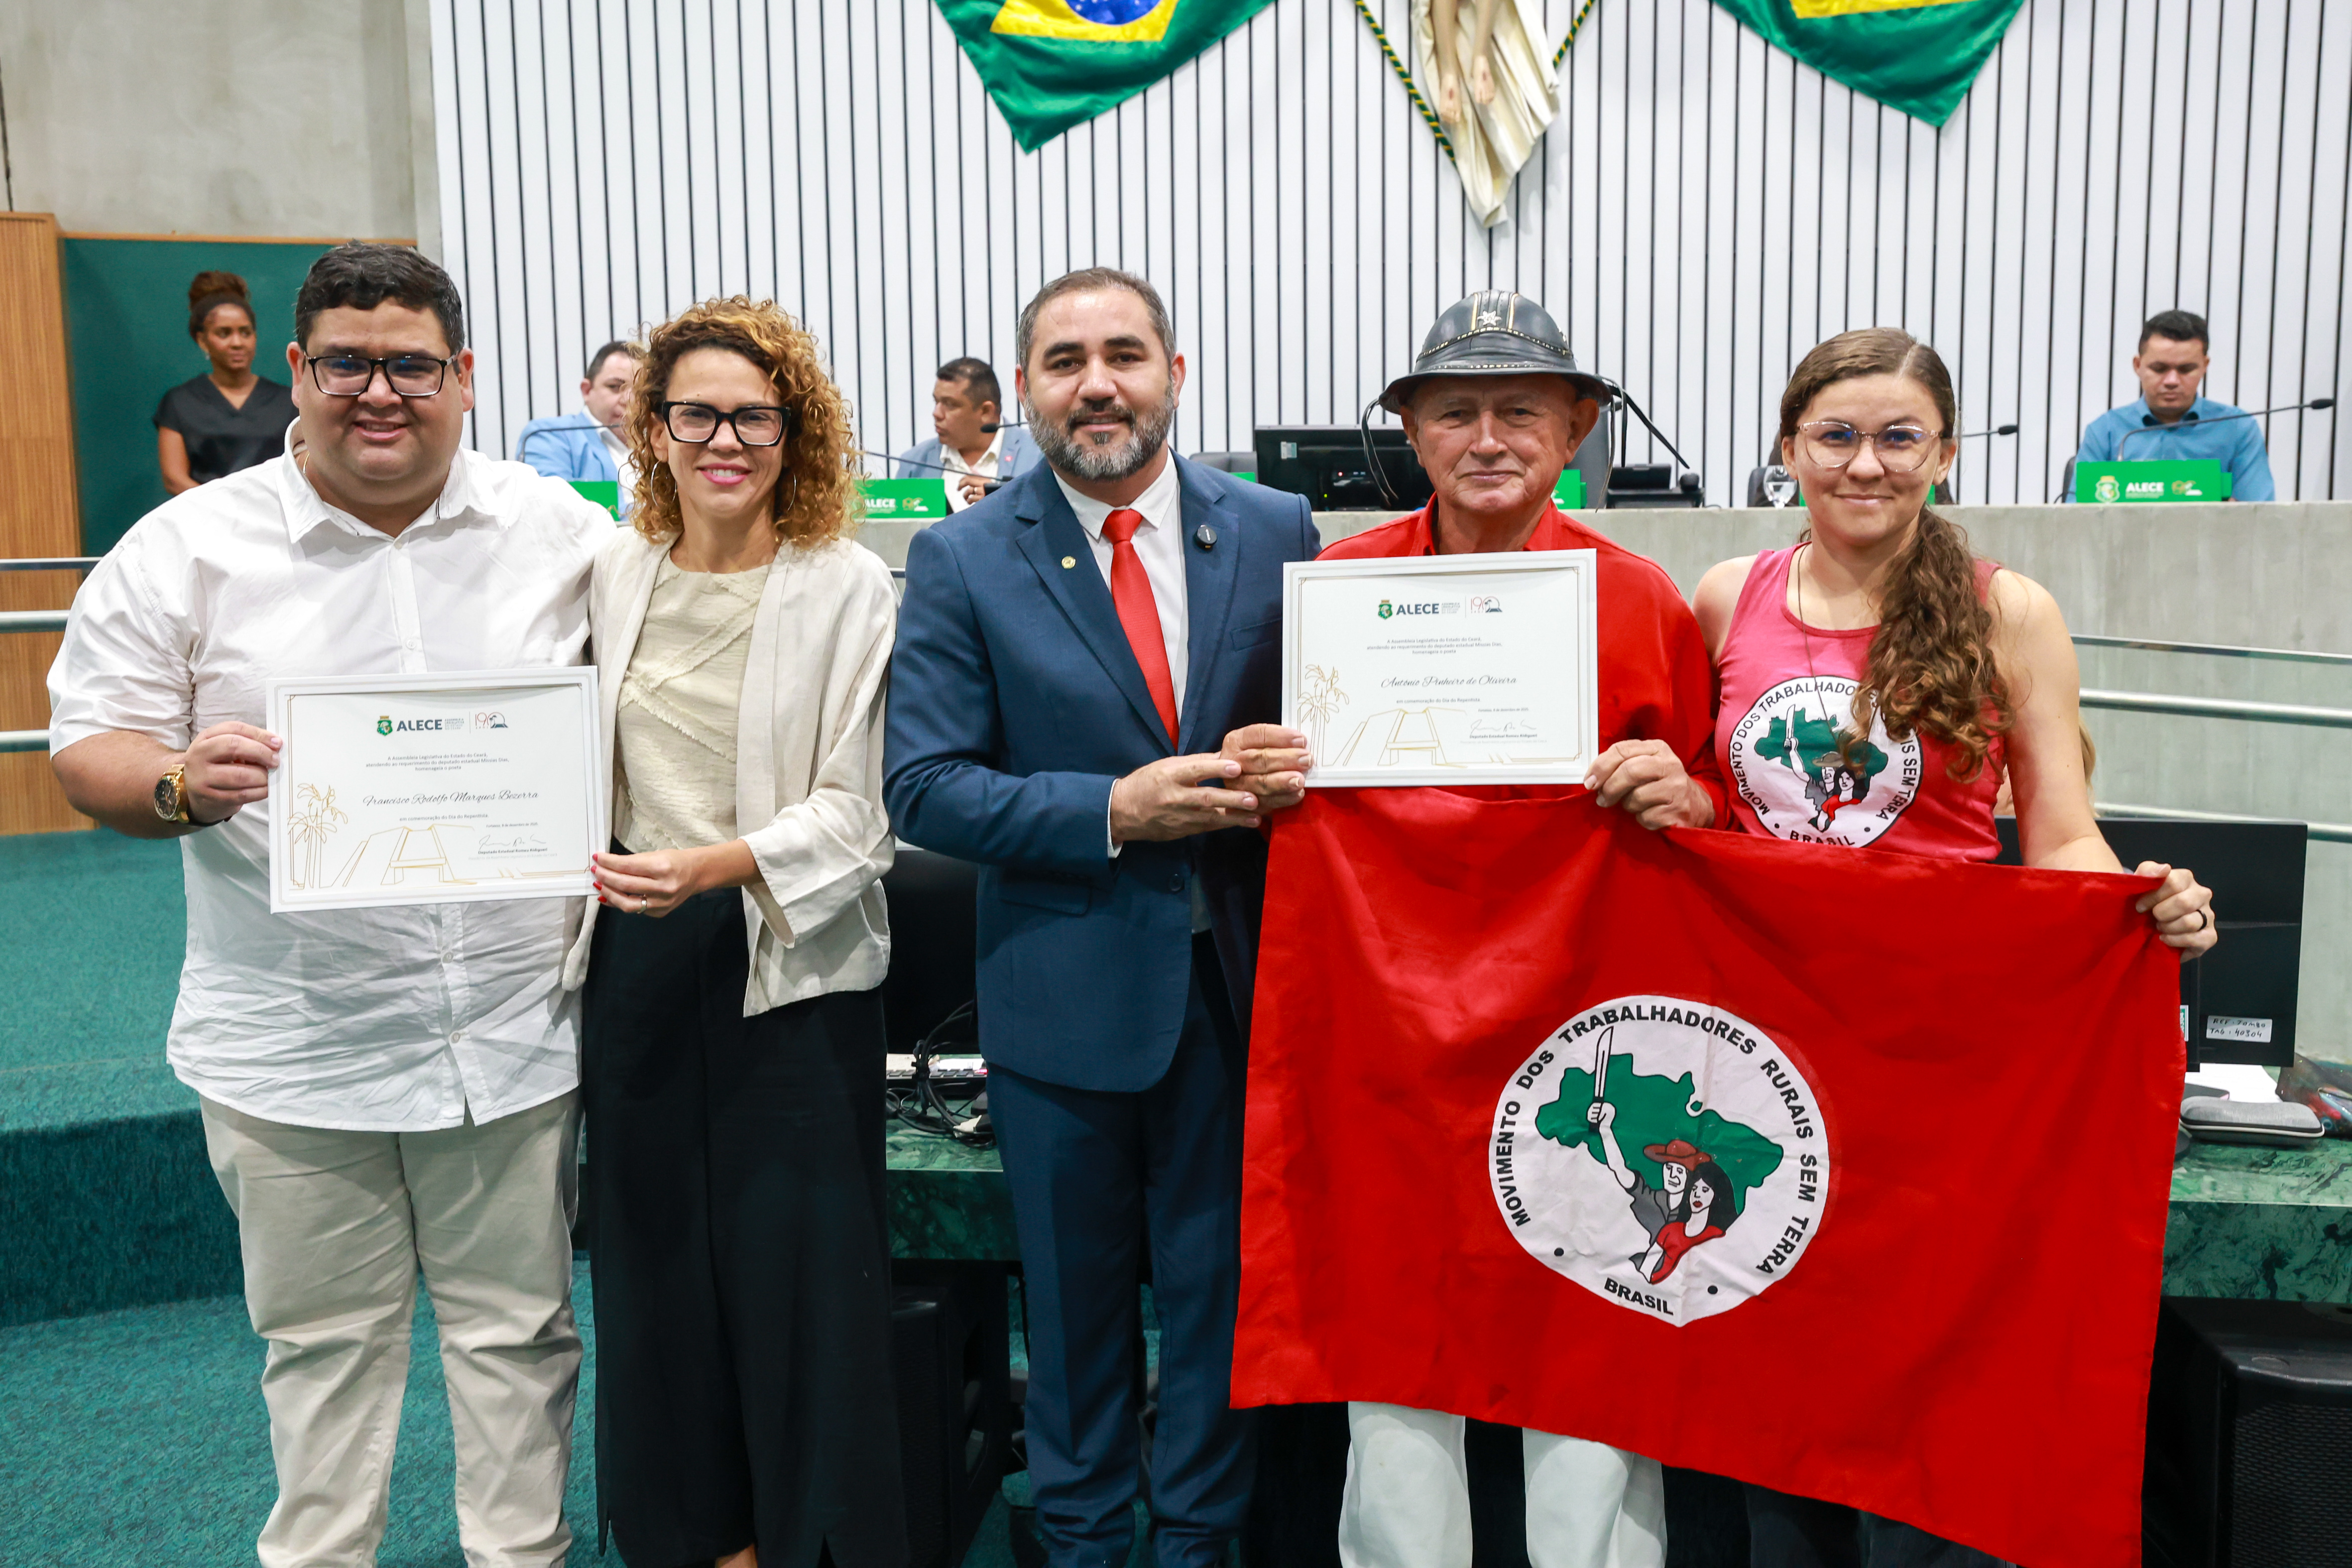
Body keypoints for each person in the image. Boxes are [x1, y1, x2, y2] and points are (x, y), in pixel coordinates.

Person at [47, 242, 608, 1568]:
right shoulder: (187, 547)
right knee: (323, 1350)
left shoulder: (563, 533)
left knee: (520, 1334)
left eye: (411, 364)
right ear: (296, 370)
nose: (379, 392)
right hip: (295, 1039)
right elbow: (89, 747)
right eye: (346, 363)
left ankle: (520, 1555)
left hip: (513, 1026)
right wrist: (180, 780)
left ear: (463, 375)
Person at [1695, 326, 2218, 1568]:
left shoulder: (2005, 608)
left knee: (1927, 1365)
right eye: (1835, 435)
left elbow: (2060, 829)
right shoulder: (1723, 595)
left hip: (1938, 1053)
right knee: (1770, 1364)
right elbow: (1698, 807)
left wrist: (2140, 909)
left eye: (1897, 437)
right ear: (1788, 450)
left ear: (1942, 453)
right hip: (1761, 1040)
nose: (1864, 463)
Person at [1224, 290, 1726, 1568]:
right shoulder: (1338, 589)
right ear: (1410, 430)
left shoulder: (1640, 599)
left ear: (1576, 428)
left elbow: (1710, 808)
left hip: (1582, 1030)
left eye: (1519, 410)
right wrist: (1258, 767)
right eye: (1454, 411)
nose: (1486, 437)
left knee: (1593, 1320)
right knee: (1391, 1339)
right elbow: (1285, 782)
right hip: (1381, 1032)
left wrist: (1688, 792)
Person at [884, 267, 1319, 1568]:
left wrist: (1302, 758)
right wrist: (1113, 809)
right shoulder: (963, 555)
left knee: (1216, 1304)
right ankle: (1079, 1543)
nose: (1097, 383)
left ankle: (1196, 1542)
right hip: (1058, 997)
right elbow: (923, 785)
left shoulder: (1277, 528)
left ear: (1173, 374)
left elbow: (1330, 727)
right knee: (1071, 1318)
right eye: (1064, 361)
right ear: (1024, 388)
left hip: (1238, 995)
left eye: (1123, 354)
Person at [566, 297, 904, 1568]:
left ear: (791, 431)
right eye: (695, 414)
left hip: (790, 953)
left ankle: (813, 1536)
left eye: (753, 417)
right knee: (652, 1264)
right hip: (636, 954)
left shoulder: (844, 582)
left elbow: (860, 809)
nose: (723, 439)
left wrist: (716, 866)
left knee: (799, 1272)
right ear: (651, 430)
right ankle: (691, 1535)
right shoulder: (612, 571)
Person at [2075, 309, 2275, 500]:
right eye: (2159, 369)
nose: (2172, 381)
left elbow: (2258, 513)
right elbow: (2076, 513)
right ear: (2138, 365)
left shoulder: (2238, 429)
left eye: (2186, 369)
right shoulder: (2106, 431)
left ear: (2205, 366)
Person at [154, 269, 298, 492]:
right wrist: (223, 508)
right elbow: (174, 479)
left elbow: (302, 470)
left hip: (274, 511)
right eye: (224, 333)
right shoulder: (179, 403)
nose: (237, 343)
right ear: (202, 340)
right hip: (203, 512)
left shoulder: (289, 402)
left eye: (245, 332)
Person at [896, 355, 1042, 511]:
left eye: (950, 405)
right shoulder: (914, 464)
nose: (936, 413)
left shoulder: (1038, 454)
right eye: (936, 402)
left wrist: (1002, 499)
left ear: (986, 412)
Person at [518, 338, 643, 500]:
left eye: (640, 391)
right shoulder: (547, 436)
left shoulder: (661, 442)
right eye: (615, 387)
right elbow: (554, 505)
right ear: (587, 390)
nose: (628, 400)